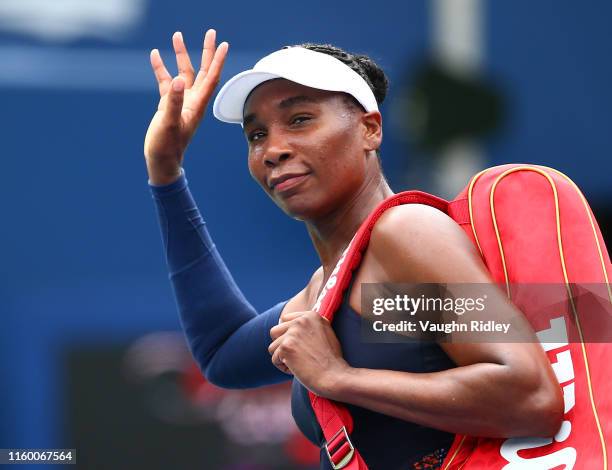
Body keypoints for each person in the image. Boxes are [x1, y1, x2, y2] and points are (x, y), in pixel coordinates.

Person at [144, 29, 564, 469]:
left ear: (370, 128)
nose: (273, 150)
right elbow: (223, 354)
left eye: (300, 119)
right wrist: (166, 171)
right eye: (256, 135)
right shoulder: (332, 290)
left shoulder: (403, 235)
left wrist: (341, 378)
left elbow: (529, 395)